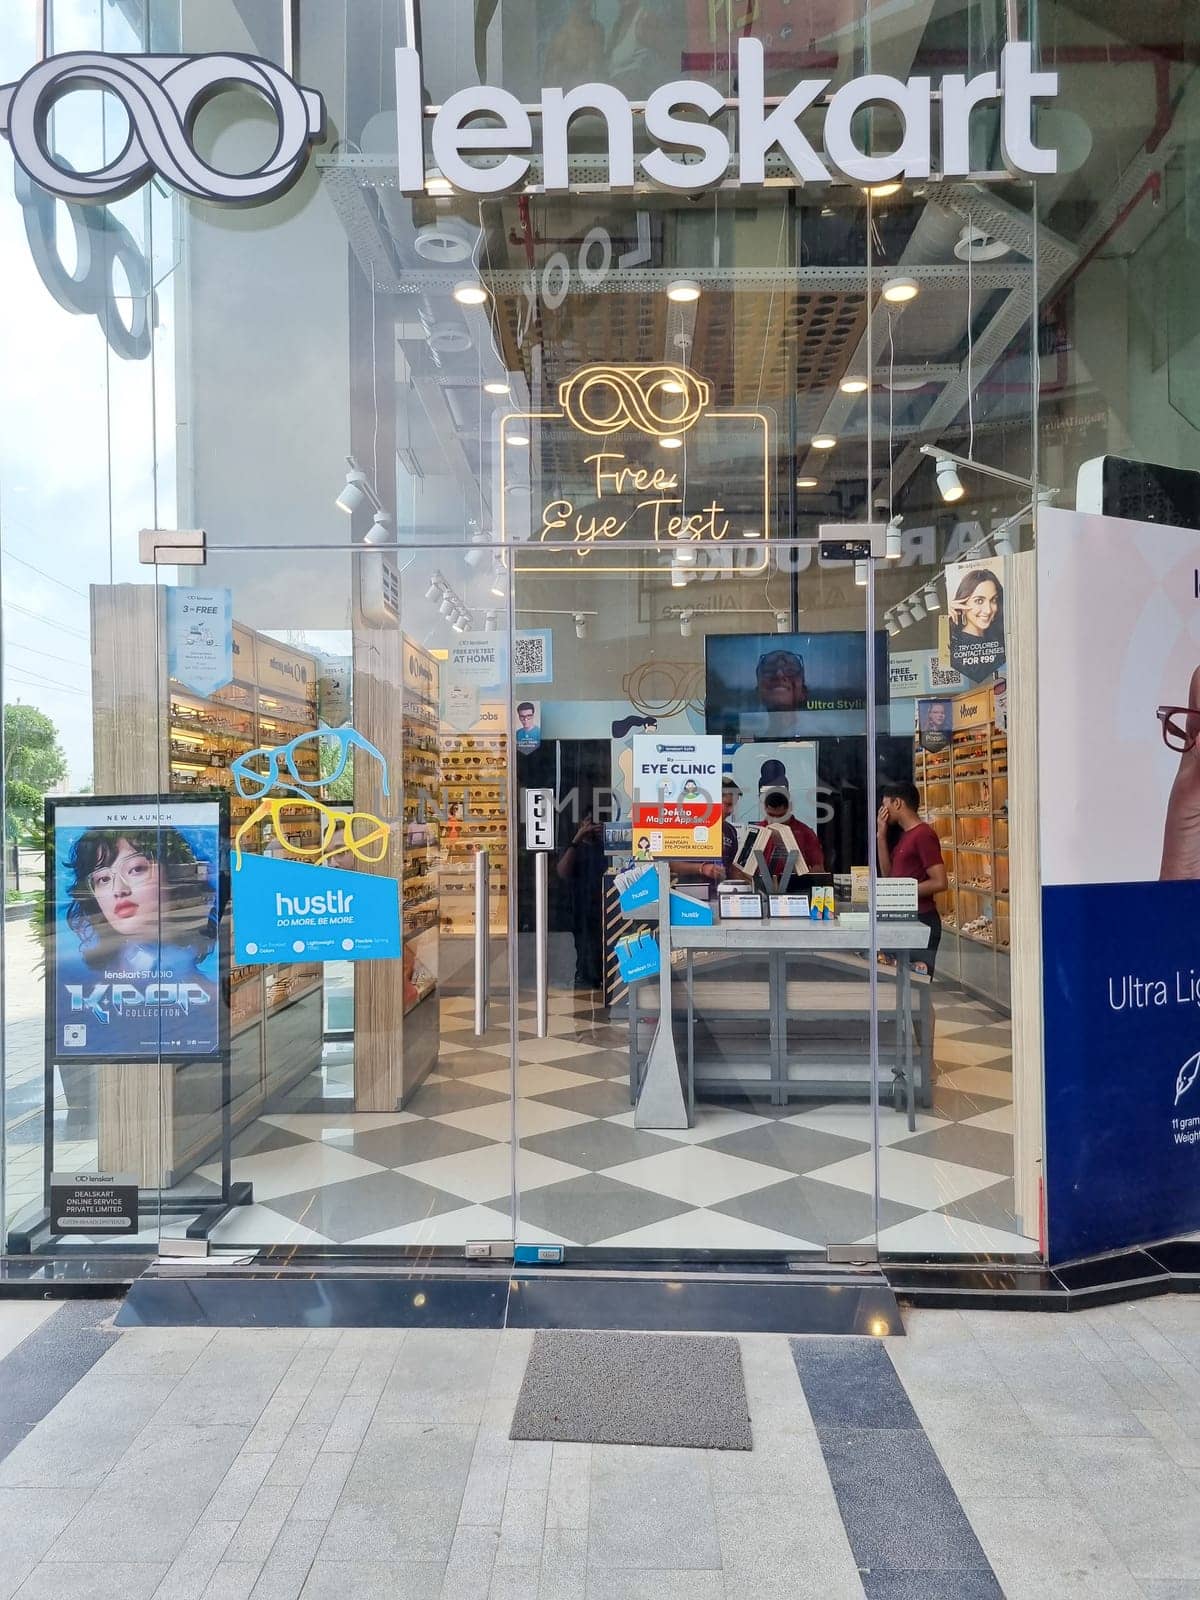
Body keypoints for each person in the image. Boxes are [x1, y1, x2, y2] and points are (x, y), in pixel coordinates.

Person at [66, 827, 217, 974]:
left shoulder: (211, 980)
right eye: (103, 879)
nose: (118, 890)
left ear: (174, 874)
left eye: (136, 869)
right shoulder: (81, 982)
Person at [876, 780, 947, 975]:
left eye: (885, 805)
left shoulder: (923, 835)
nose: (883, 810)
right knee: (908, 987)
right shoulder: (906, 836)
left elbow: (940, 881)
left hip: (921, 918)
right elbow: (889, 877)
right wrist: (881, 836)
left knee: (918, 985)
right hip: (905, 918)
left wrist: (902, 892)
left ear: (897, 803)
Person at [753, 783, 824, 888]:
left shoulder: (805, 832)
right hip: (762, 888)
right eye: (771, 815)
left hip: (796, 887)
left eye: (781, 816)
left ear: (789, 808)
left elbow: (819, 869)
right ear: (765, 809)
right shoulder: (757, 831)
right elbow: (741, 869)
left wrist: (806, 876)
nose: (776, 821)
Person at [948, 569, 1005, 682]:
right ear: (961, 604)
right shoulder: (953, 644)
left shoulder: (1001, 637)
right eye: (979, 601)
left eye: (993, 600)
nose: (988, 610)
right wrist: (945, 622)